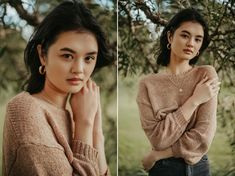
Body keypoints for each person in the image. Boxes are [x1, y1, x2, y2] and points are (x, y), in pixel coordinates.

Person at [2, 0, 112, 175]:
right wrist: (84, 125)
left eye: (89, 58)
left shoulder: (78, 110)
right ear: (42, 55)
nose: (79, 70)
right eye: (67, 55)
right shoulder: (25, 109)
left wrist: (96, 131)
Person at [136, 8, 220, 176]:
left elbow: (203, 136)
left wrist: (158, 154)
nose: (191, 43)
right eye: (185, 35)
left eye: (198, 39)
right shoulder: (148, 85)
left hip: (199, 168)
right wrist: (194, 101)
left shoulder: (206, 75)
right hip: (163, 170)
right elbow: (158, 139)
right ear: (170, 36)